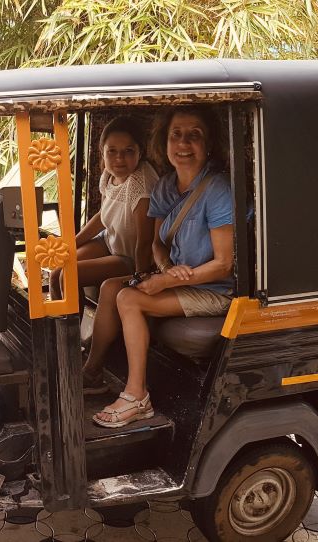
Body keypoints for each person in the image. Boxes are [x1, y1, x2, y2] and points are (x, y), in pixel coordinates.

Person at [83, 106, 234, 427]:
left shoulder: (217, 190)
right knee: (113, 287)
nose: (183, 143)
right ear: (164, 143)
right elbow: (156, 244)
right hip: (179, 278)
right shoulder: (167, 186)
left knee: (129, 297)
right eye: (175, 135)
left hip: (213, 289)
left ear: (208, 145)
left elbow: (223, 265)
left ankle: (138, 396)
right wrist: (164, 267)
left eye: (194, 135)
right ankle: (92, 371)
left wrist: (167, 281)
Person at [50, 116, 158, 300]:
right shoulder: (109, 174)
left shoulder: (141, 183)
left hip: (129, 254)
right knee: (56, 272)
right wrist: (72, 243)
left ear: (141, 152)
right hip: (108, 241)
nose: (119, 158)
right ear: (102, 151)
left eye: (128, 151)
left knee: (68, 276)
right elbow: (104, 216)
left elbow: (145, 241)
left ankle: (70, 329)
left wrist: (141, 278)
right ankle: (58, 328)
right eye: (112, 151)